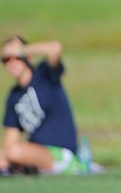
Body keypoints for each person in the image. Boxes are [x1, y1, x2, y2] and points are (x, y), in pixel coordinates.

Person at [2, 35, 90, 175]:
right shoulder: (14, 96)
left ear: (28, 57)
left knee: (14, 151)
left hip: (61, 152)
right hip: (36, 151)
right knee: (6, 154)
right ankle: (23, 169)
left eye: (17, 57)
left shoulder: (44, 75)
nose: (12, 63)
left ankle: (24, 168)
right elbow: (10, 140)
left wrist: (22, 50)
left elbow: (55, 48)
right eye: (6, 59)